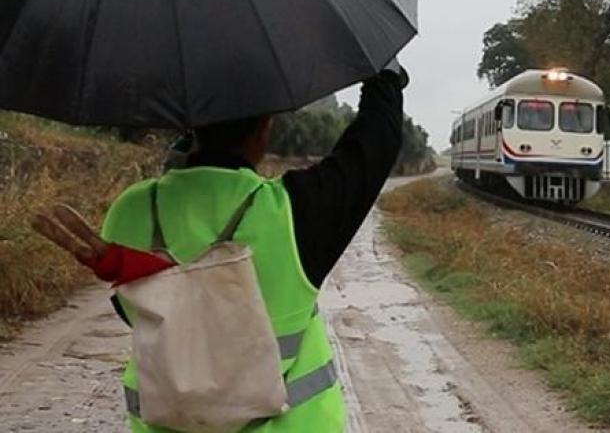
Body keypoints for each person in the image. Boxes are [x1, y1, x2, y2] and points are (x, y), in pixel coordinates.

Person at [75, 66, 404, 432]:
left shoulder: (131, 209)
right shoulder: (294, 212)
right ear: (264, 127)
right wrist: (384, 78)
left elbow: (136, 314)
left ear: (191, 125)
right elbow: (374, 145)